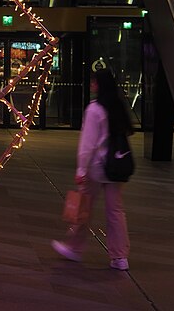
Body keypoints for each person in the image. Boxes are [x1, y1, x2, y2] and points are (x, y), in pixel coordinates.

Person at [51, 68, 133, 270]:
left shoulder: (94, 109)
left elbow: (87, 145)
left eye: (94, 81)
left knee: (83, 208)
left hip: (96, 168)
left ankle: (74, 248)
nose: (91, 84)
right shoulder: (118, 106)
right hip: (117, 167)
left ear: (99, 84)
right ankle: (120, 257)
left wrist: (80, 170)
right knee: (115, 211)